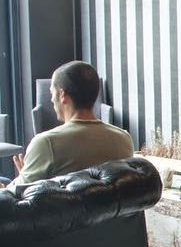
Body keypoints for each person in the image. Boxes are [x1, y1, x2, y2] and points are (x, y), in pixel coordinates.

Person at [0, 62, 133, 190]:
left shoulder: (46, 143)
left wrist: (23, 178)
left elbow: (16, 196)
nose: (51, 99)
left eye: (52, 93)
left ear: (63, 95)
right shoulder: (124, 138)